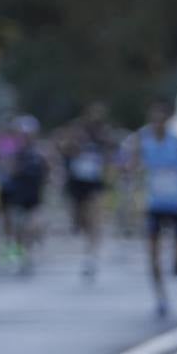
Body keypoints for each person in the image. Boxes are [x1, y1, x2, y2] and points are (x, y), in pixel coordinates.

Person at [131, 101, 177, 319]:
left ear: (167, 120)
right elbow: (130, 164)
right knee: (152, 255)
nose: (156, 123)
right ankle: (161, 297)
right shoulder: (143, 142)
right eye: (153, 118)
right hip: (155, 205)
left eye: (160, 118)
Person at [58, 102, 116, 281]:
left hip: (94, 182)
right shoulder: (76, 131)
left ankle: (91, 257)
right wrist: (75, 145)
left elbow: (111, 151)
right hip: (77, 182)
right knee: (79, 221)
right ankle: (86, 240)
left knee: (94, 220)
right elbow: (63, 147)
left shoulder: (103, 134)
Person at [0, 115, 48, 275]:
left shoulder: (42, 151)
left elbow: (49, 171)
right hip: (17, 196)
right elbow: (7, 171)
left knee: (32, 227)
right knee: (19, 228)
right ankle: (23, 254)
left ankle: (28, 254)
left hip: (34, 197)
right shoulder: (14, 152)